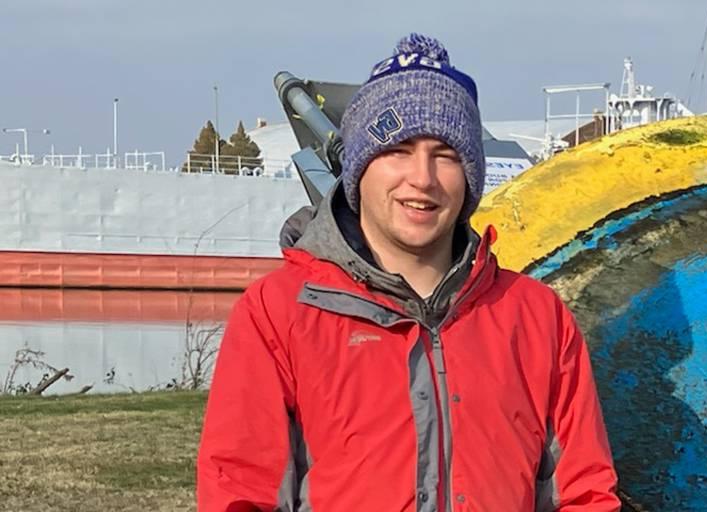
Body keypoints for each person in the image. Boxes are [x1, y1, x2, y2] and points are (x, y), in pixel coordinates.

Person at [197, 33, 621, 511]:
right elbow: (240, 493)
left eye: (445, 154)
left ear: (470, 178)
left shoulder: (537, 318)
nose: (422, 178)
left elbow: (584, 493)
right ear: (359, 169)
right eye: (397, 149)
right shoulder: (277, 315)